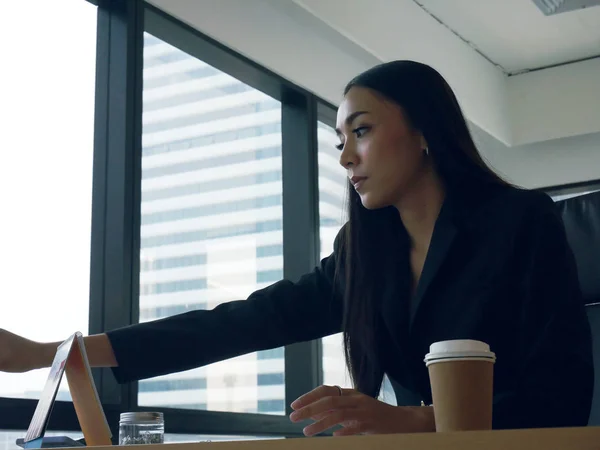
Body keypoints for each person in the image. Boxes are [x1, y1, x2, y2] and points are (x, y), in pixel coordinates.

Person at [0, 61, 593, 436]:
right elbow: (240, 323)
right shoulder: (365, 252)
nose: (344, 158)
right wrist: (54, 353)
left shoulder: (520, 223)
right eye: (340, 139)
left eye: (360, 131)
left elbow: (561, 397)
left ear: (423, 133)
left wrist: (409, 421)